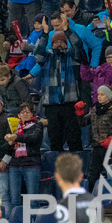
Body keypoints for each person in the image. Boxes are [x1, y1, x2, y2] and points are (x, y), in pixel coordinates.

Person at [29, 18, 85, 151]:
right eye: (56, 42)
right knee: (55, 138)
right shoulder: (47, 57)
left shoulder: (72, 56)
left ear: (66, 44)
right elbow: (38, 53)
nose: (59, 44)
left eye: (62, 41)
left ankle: (77, 167)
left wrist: (68, 31)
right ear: (52, 44)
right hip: (51, 104)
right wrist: (44, 34)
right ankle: (57, 168)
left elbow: (78, 46)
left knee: (74, 138)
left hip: (70, 103)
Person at [80, 85, 112, 193]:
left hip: (111, 148)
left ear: (108, 96)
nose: (99, 97)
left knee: (111, 175)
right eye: (98, 94)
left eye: (102, 94)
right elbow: (84, 122)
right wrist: (80, 113)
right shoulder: (95, 109)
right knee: (92, 176)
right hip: (97, 147)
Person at [5, 103, 45, 206]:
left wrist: (16, 138)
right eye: (22, 112)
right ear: (18, 115)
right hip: (15, 165)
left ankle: (33, 221)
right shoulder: (14, 128)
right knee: (14, 199)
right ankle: (16, 221)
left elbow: (33, 138)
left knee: (33, 199)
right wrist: (9, 143)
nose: (25, 114)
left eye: (28, 112)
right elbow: (8, 148)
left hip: (31, 164)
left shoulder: (37, 126)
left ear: (32, 114)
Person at [83, 46, 112, 111]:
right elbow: (86, 76)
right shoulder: (99, 71)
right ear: (106, 59)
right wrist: (84, 64)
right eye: (108, 57)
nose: (110, 59)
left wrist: (106, 67)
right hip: (100, 105)